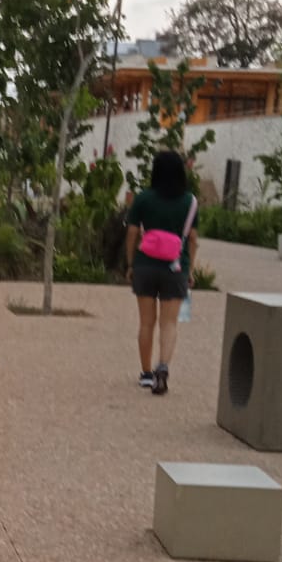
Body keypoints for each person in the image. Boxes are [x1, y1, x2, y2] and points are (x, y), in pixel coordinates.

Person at [124, 149, 199, 396]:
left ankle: (146, 374)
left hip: (145, 265)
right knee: (169, 323)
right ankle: (163, 367)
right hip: (175, 267)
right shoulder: (190, 201)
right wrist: (190, 268)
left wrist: (131, 263)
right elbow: (193, 240)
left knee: (146, 322)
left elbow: (133, 233)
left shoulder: (144, 199)